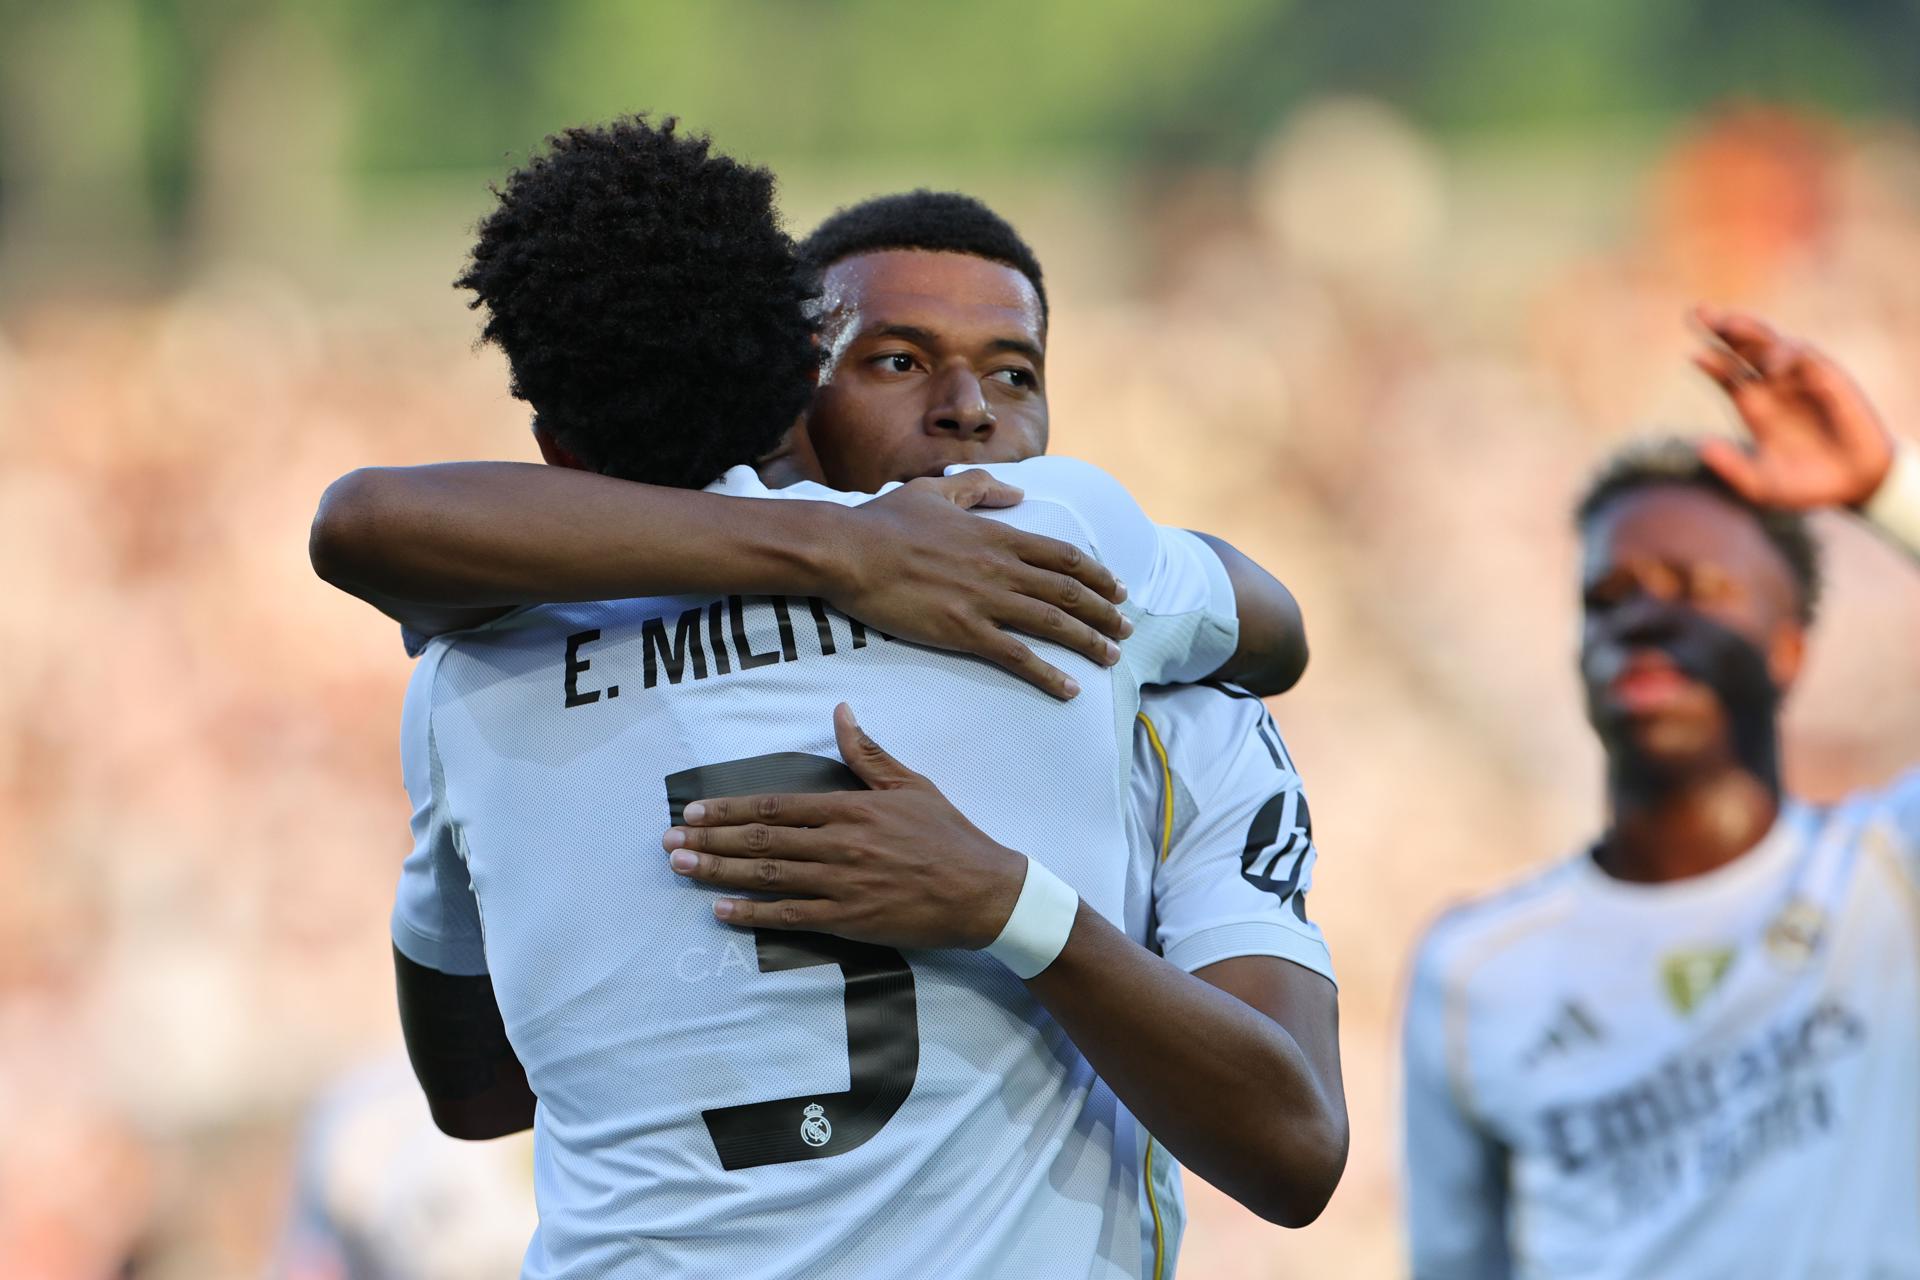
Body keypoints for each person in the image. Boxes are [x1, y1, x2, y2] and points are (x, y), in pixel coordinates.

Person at [314, 117, 1342, 1279]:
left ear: (554, 449)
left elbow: (476, 1092)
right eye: (894, 360)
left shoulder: (472, 668)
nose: (968, 409)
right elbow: (1274, 624)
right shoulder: (1067, 554)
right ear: (794, 392)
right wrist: (1008, 901)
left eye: (1015, 372)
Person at [1401, 308, 1920, 1279]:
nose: (1642, 616)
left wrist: (1887, 489)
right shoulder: (1475, 968)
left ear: (1788, 649)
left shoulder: (1890, 872)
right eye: (1609, 596)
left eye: (1695, 587)